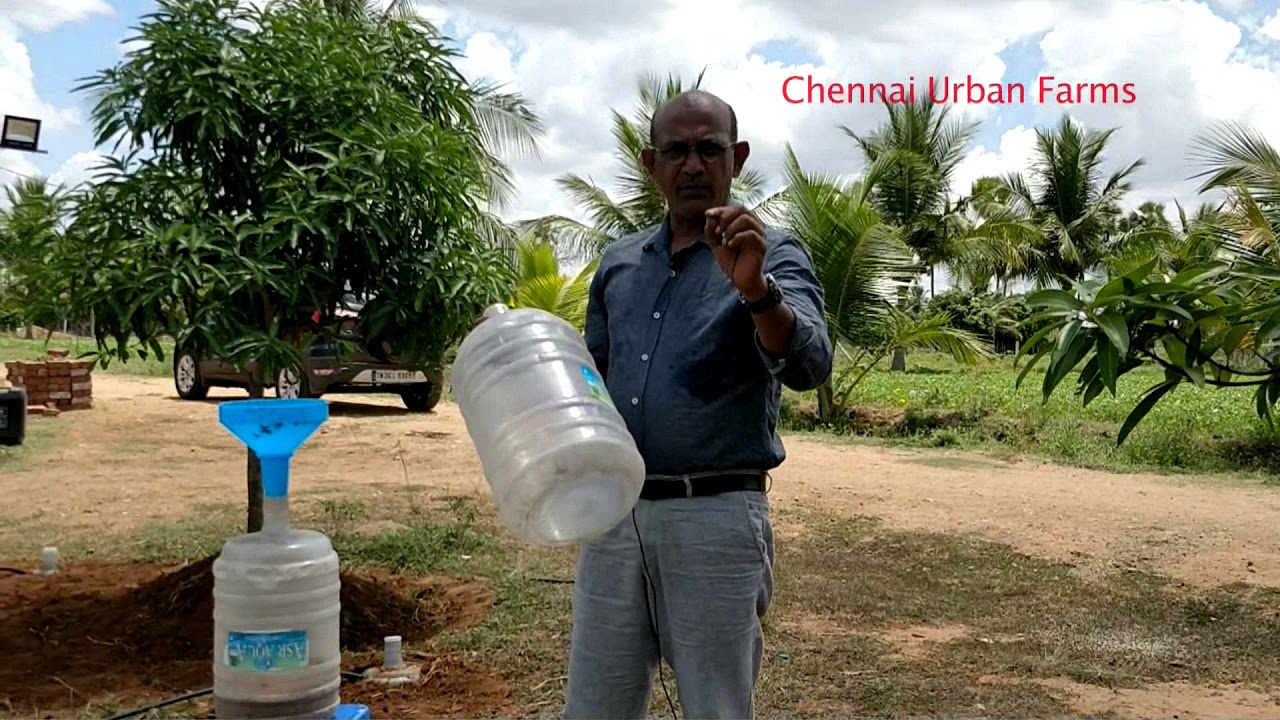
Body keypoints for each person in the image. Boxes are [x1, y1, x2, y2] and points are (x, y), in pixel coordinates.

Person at [561, 89, 833, 719]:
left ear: (735, 158)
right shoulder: (619, 263)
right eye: (675, 151)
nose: (692, 164)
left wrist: (756, 291)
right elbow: (594, 382)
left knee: (716, 708)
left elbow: (810, 366)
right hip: (614, 518)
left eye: (709, 149)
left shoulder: (774, 252)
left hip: (714, 517)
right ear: (650, 163)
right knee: (594, 706)